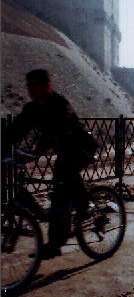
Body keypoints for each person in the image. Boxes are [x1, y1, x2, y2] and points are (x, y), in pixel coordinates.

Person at [9, 69, 95, 260]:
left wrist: (35, 153)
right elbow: (15, 130)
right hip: (63, 149)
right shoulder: (32, 109)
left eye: (35, 85)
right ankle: (56, 241)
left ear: (47, 86)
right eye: (28, 85)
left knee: (63, 174)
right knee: (59, 189)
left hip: (81, 146)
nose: (30, 89)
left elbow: (59, 132)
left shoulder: (60, 104)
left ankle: (84, 205)